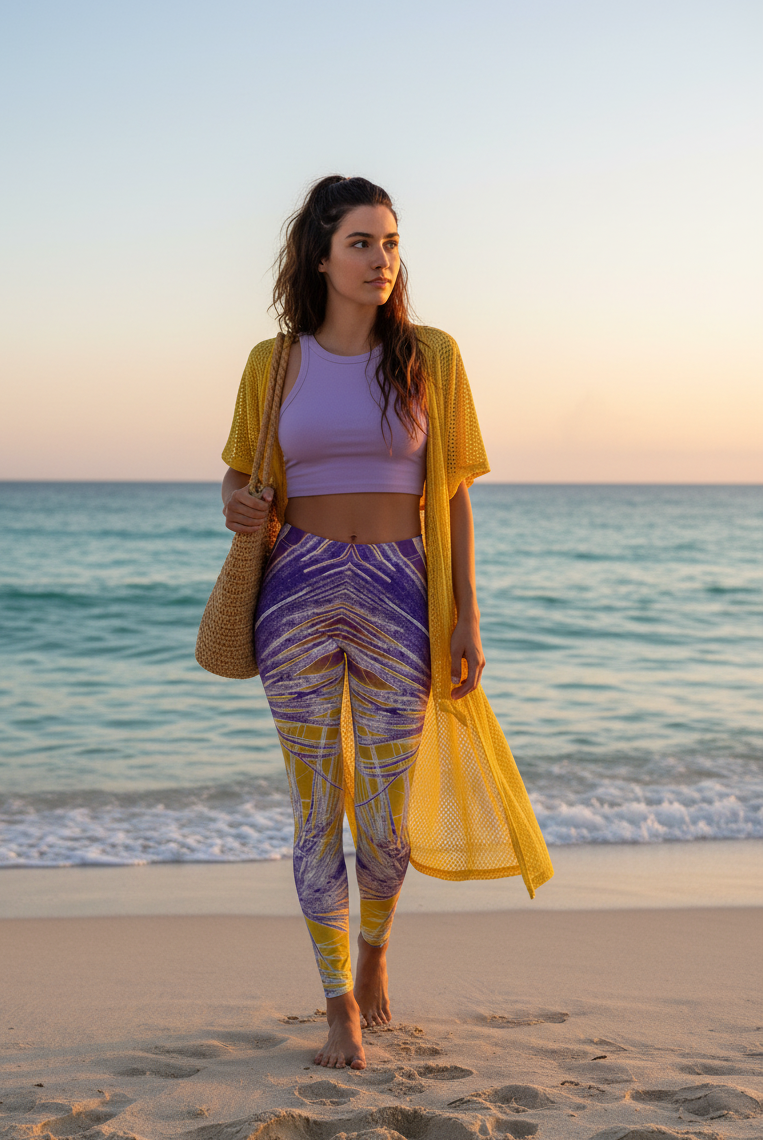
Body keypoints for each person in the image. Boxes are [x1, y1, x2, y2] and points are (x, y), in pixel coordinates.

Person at [220, 176, 552, 1071]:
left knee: (387, 817)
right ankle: (338, 1011)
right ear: (321, 255)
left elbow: (454, 496)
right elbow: (237, 476)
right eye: (362, 243)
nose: (380, 260)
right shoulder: (273, 363)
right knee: (316, 809)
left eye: (392, 243)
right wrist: (241, 508)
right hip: (295, 591)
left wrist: (464, 618)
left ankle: (375, 958)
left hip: (402, 592)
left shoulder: (431, 358)